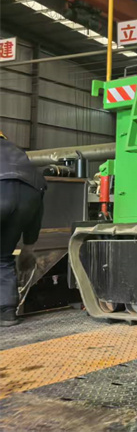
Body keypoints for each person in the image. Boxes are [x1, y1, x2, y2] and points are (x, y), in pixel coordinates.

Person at [0, 131, 47, 326]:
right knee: (3, 257)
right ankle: (7, 312)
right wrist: (29, 245)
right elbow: (38, 210)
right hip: (30, 198)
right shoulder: (16, 150)